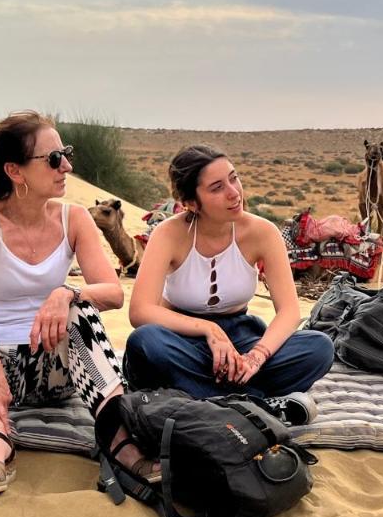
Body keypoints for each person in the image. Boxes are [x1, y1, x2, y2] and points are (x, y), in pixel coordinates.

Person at [0, 111, 158, 498]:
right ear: (15, 172)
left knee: (80, 308)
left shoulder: (74, 219)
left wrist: (66, 293)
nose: (67, 165)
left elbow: (113, 292)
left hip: (48, 377)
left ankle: (118, 439)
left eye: (65, 153)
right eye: (54, 159)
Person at [124, 145, 333, 423]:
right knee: (144, 343)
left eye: (234, 178)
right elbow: (140, 311)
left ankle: (211, 399)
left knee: (319, 348)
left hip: (241, 338)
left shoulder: (262, 232)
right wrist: (208, 329)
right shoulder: (169, 234)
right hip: (182, 339)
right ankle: (255, 406)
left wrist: (256, 357)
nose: (234, 192)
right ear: (191, 202)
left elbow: (290, 311)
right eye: (217, 187)